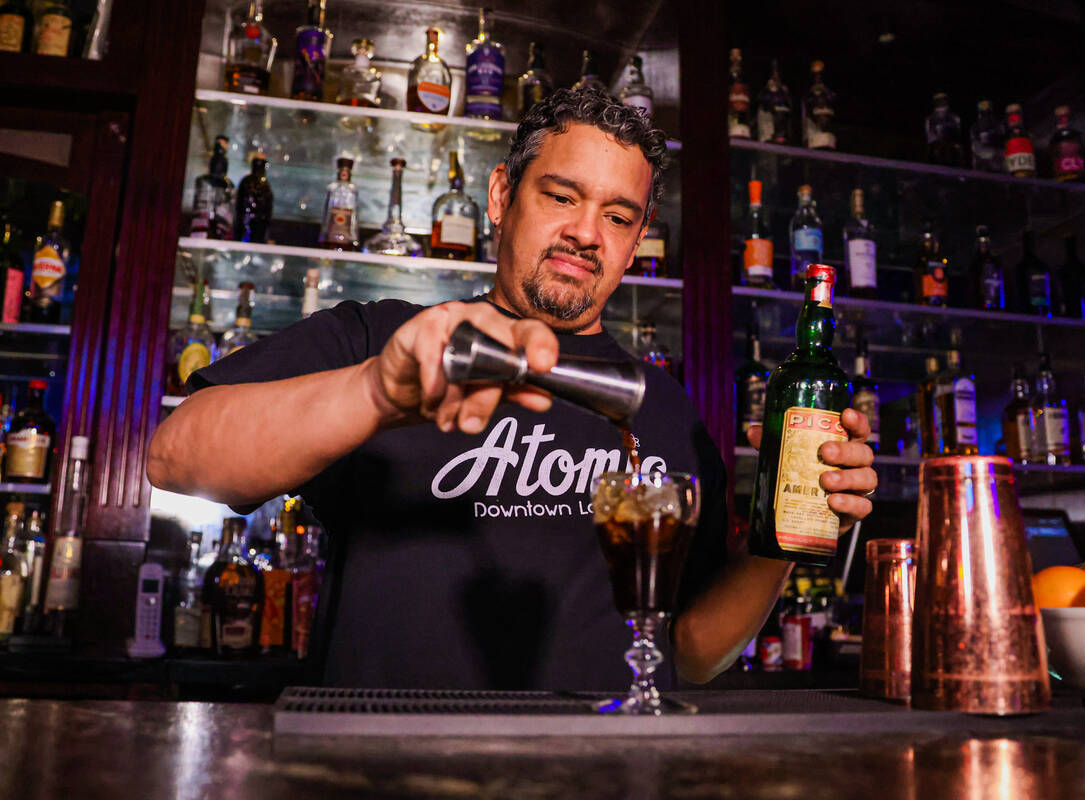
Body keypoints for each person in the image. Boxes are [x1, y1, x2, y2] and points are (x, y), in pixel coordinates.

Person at [147, 89, 877, 690]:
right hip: (380, 772)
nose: (587, 233)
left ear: (637, 239)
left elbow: (687, 653)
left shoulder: (666, 410)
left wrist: (791, 530)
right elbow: (177, 456)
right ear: (501, 195)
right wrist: (374, 393)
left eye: (618, 217)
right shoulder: (383, 340)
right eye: (561, 196)